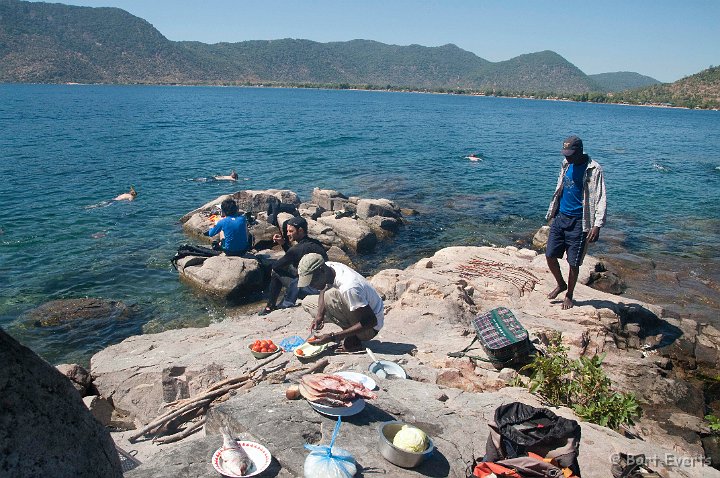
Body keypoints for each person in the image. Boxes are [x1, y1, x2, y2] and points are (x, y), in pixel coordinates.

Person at [545, 135, 606, 309]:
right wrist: (553, 211)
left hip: (580, 222)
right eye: (565, 153)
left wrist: (597, 225)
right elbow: (561, 188)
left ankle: (569, 295)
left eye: (570, 153)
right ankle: (561, 284)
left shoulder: (594, 169)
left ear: (579, 151)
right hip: (561, 217)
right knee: (550, 255)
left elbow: (601, 198)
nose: (567, 157)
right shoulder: (566, 164)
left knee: (574, 262)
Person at [297, 253, 384, 353]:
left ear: (321, 270)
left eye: (312, 281)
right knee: (307, 302)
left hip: (370, 329)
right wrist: (319, 316)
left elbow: (371, 321)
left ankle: (353, 340)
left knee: (330, 296)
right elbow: (324, 288)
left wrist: (334, 337)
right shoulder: (328, 267)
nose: (311, 286)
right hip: (357, 310)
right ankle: (349, 330)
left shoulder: (349, 287)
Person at [258, 216, 327, 315]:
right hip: (322, 287)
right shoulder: (316, 243)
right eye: (287, 231)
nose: (287, 234)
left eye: (291, 231)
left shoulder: (297, 249)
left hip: (311, 290)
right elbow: (293, 256)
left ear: (300, 230)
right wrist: (283, 243)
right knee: (291, 268)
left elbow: (277, 265)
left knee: (276, 272)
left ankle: (270, 306)